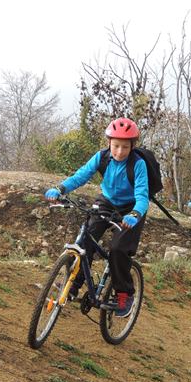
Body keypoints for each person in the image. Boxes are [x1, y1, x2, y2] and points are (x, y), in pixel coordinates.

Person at [44, 117, 149, 317]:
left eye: (125, 147)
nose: (120, 151)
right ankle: (73, 285)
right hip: (107, 202)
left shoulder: (138, 164)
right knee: (85, 240)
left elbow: (143, 196)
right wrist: (60, 188)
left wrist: (135, 214)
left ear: (132, 146)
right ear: (109, 142)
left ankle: (124, 294)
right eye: (116, 146)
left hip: (131, 209)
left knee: (118, 249)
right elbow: (81, 176)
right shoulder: (102, 157)